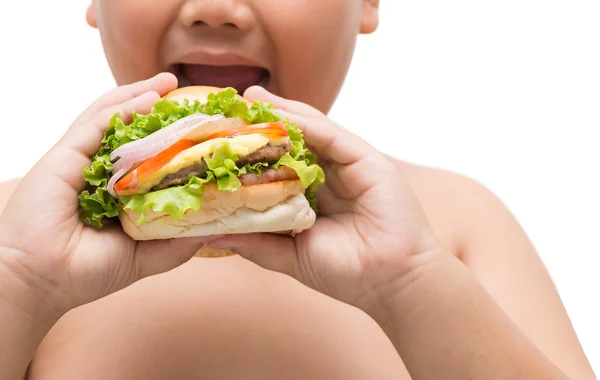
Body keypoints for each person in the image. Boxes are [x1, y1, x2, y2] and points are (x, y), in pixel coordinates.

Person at [0, 1, 595, 379]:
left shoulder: (459, 224)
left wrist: (411, 283)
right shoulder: (14, 232)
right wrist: (24, 283)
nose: (216, 10)